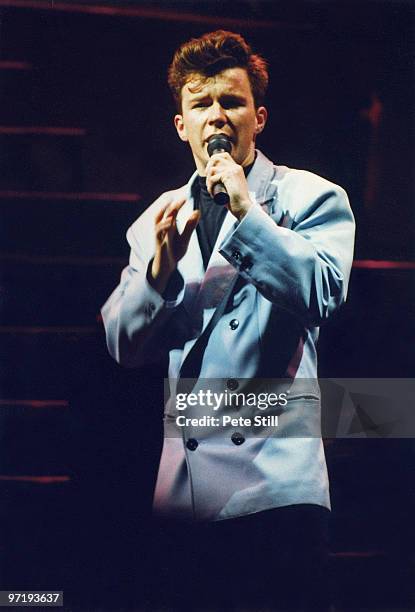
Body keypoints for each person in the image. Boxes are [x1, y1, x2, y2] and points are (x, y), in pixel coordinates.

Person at [101, 30, 355, 611]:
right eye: (202, 104)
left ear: (258, 117)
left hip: (275, 489)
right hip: (185, 497)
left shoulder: (311, 197)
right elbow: (122, 345)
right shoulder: (156, 220)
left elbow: (321, 292)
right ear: (181, 124)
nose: (218, 116)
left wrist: (247, 211)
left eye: (232, 102)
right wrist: (159, 271)